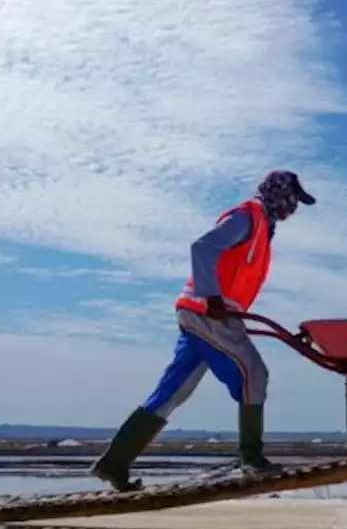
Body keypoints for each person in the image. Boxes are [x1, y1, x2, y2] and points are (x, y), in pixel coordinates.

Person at [88, 169, 317, 492]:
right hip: (209, 313)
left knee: (171, 393)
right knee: (254, 375)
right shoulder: (248, 217)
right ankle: (252, 459)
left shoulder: (263, 225)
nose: (293, 208)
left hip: (202, 313)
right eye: (293, 200)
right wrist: (212, 298)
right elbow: (202, 247)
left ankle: (114, 463)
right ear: (279, 194)